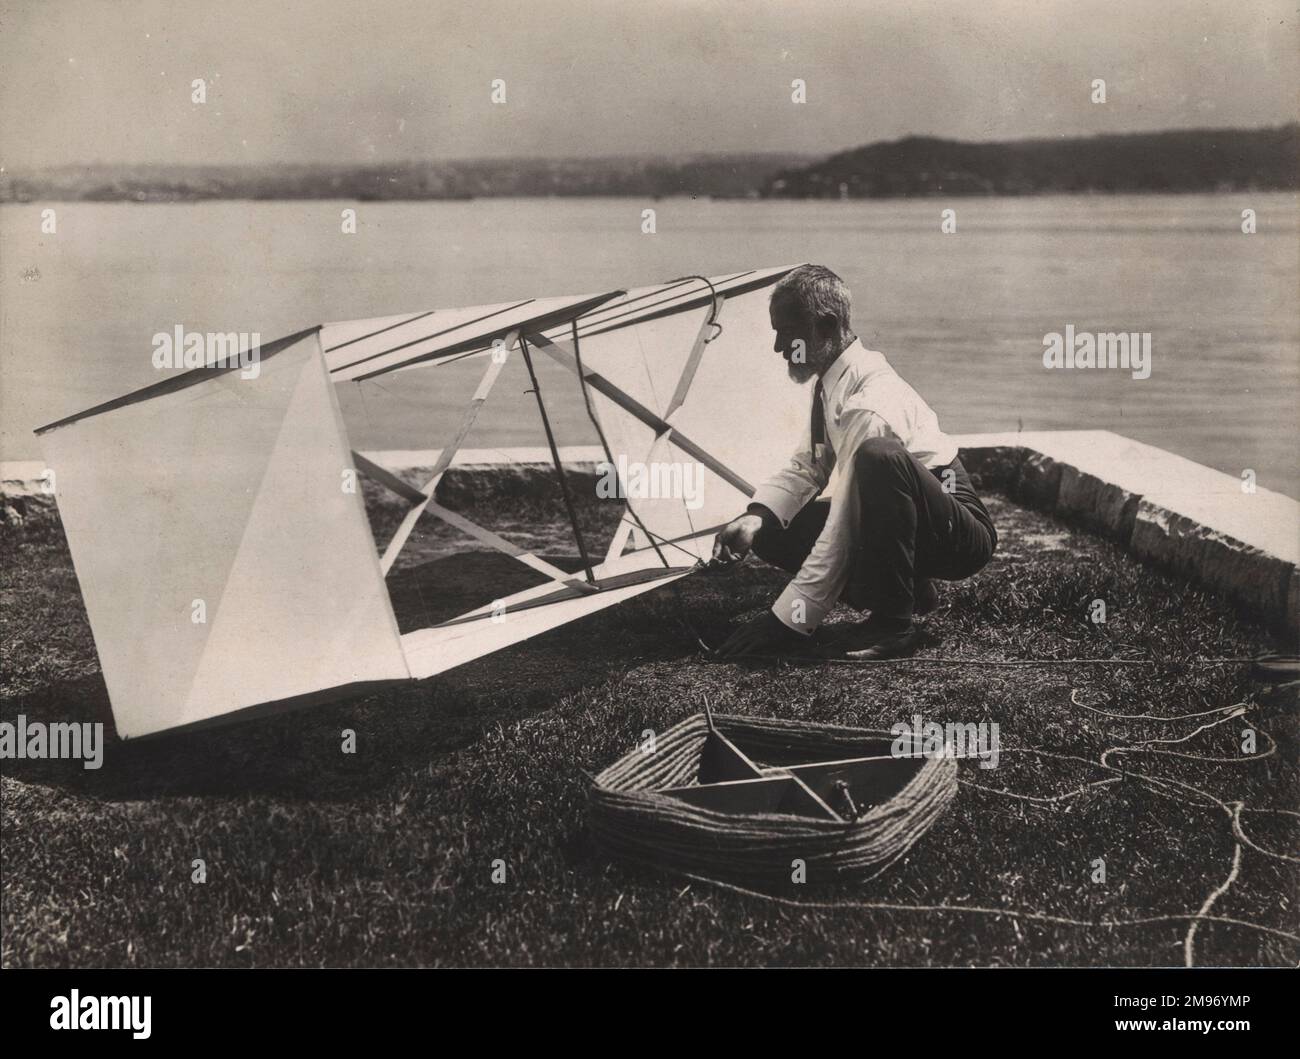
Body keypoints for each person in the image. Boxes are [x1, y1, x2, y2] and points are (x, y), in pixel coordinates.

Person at [713, 264, 997, 659]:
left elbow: (845, 524)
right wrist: (756, 515)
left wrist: (787, 620)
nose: (779, 348)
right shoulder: (831, 380)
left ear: (827, 326)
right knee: (773, 528)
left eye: (787, 332)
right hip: (915, 516)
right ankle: (910, 589)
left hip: (958, 533)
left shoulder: (869, 400)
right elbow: (810, 465)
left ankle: (893, 624)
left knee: (877, 458)